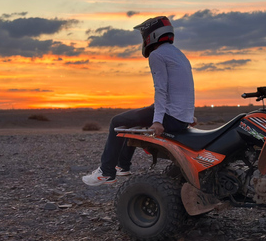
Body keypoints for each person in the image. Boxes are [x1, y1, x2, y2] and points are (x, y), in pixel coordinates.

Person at [82, 16, 195, 186]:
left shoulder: (157, 55)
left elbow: (161, 89)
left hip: (169, 117)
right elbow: (186, 87)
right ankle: (122, 166)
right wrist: (188, 115)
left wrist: (157, 121)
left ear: (151, 35)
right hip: (180, 118)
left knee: (117, 121)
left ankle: (106, 172)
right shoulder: (179, 55)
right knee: (132, 123)